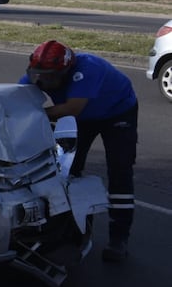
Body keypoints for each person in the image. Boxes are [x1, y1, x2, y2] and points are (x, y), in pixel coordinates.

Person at [20, 40, 138, 262]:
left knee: (120, 169)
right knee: (67, 168)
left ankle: (119, 238)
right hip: (82, 118)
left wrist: (38, 114)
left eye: (49, 77)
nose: (41, 81)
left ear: (66, 70)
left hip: (117, 113)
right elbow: (19, 97)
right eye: (36, 74)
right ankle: (72, 226)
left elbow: (73, 108)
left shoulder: (88, 69)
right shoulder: (37, 74)